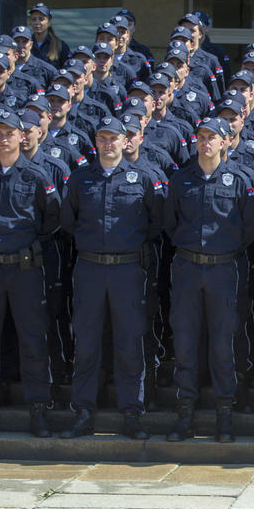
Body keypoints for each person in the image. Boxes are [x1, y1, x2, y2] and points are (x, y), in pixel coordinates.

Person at [60, 117, 165, 440]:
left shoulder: (144, 179)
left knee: (129, 342)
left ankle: (132, 412)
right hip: (90, 269)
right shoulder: (80, 180)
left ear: (125, 141)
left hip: (128, 270)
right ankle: (83, 412)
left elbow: (157, 223)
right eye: (103, 138)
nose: (108, 144)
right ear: (96, 141)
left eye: (114, 138)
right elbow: (68, 221)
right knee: (87, 343)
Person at [163, 118, 254, 443]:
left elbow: (249, 228)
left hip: (223, 269)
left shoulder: (240, 180)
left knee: (223, 345)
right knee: (186, 343)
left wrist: (224, 251)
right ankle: (185, 413)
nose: (205, 143)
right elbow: (170, 222)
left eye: (212, 137)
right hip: (188, 268)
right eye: (201, 137)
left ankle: (224, 413)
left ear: (225, 141)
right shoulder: (181, 180)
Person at [0, 109, 60, 436]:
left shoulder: (36, 175)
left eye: (9, 132)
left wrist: (27, 244)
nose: (3, 137)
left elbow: (52, 218)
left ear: (22, 136)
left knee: (33, 340)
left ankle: (38, 408)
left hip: (25, 269)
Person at [27, 3, 70, 68]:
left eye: (41, 19)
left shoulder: (60, 45)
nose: (37, 22)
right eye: (33, 19)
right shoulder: (25, 44)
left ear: (49, 22)